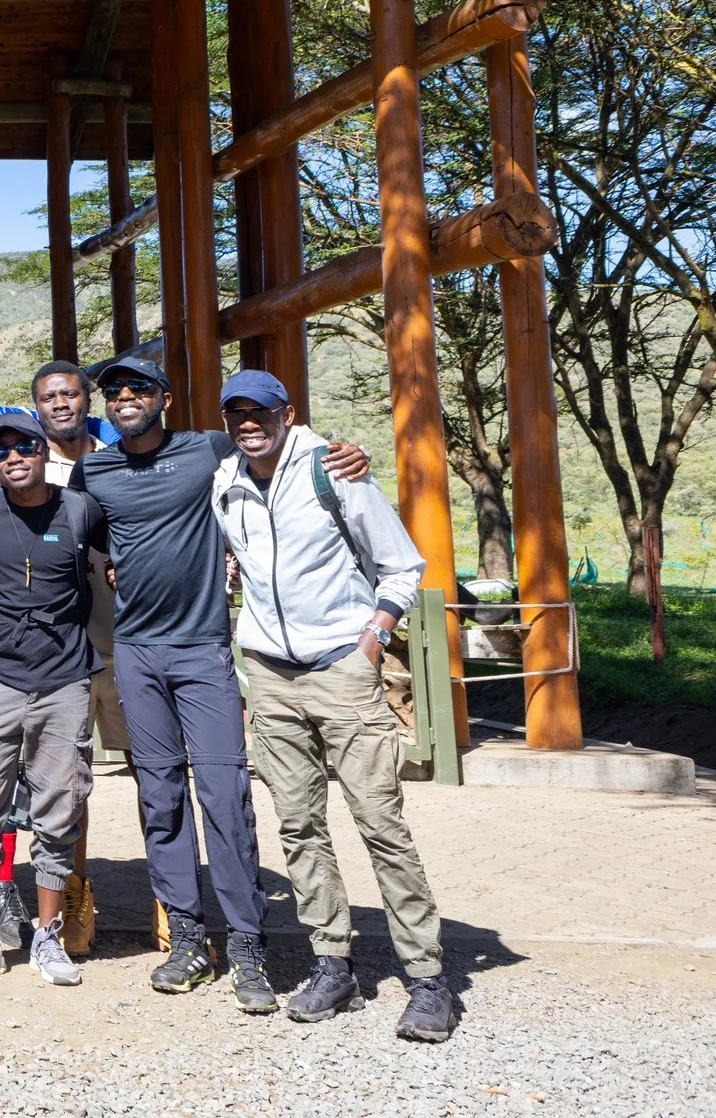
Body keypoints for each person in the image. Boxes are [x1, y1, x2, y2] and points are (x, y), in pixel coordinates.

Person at [69, 353, 369, 1014]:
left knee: (226, 798)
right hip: (137, 653)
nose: (123, 396)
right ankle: (186, 940)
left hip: (203, 648)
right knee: (160, 799)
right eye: (113, 389)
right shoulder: (97, 469)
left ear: (165, 399)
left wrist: (346, 454)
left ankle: (247, 943)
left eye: (137, 387)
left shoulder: (207, 449)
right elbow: (71, 526)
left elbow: (282, 441)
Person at [211, 370, 456, 1043]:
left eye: (259, 411)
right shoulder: (225, 480)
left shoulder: (334, 471)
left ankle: (428, 978)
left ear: (287, 413)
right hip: (270, 673)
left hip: (341, 670)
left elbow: (402, 564)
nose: (247, 422)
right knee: (297, 824)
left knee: (381, 821)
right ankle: (332, 963)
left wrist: (375, 636)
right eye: (236, 412)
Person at [0, 410, 102, 989]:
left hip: (64, 680)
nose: (14, 457)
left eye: (25, 447)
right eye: (2, 451)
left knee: (59, 807)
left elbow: (120, 558)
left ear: (43, 451)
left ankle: (48, 935)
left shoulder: (80, 509)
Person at [28, 358, 127, 954]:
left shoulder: (117, 458)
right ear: (35, 404)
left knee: (154, 770)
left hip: (123, 637)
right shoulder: (21, 462)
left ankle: (170, 902)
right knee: (67, 784)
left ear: (86, 401)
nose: (61, 404)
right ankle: (72, 897)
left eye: (70, 394)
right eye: (49, 396)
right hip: (58, 648)